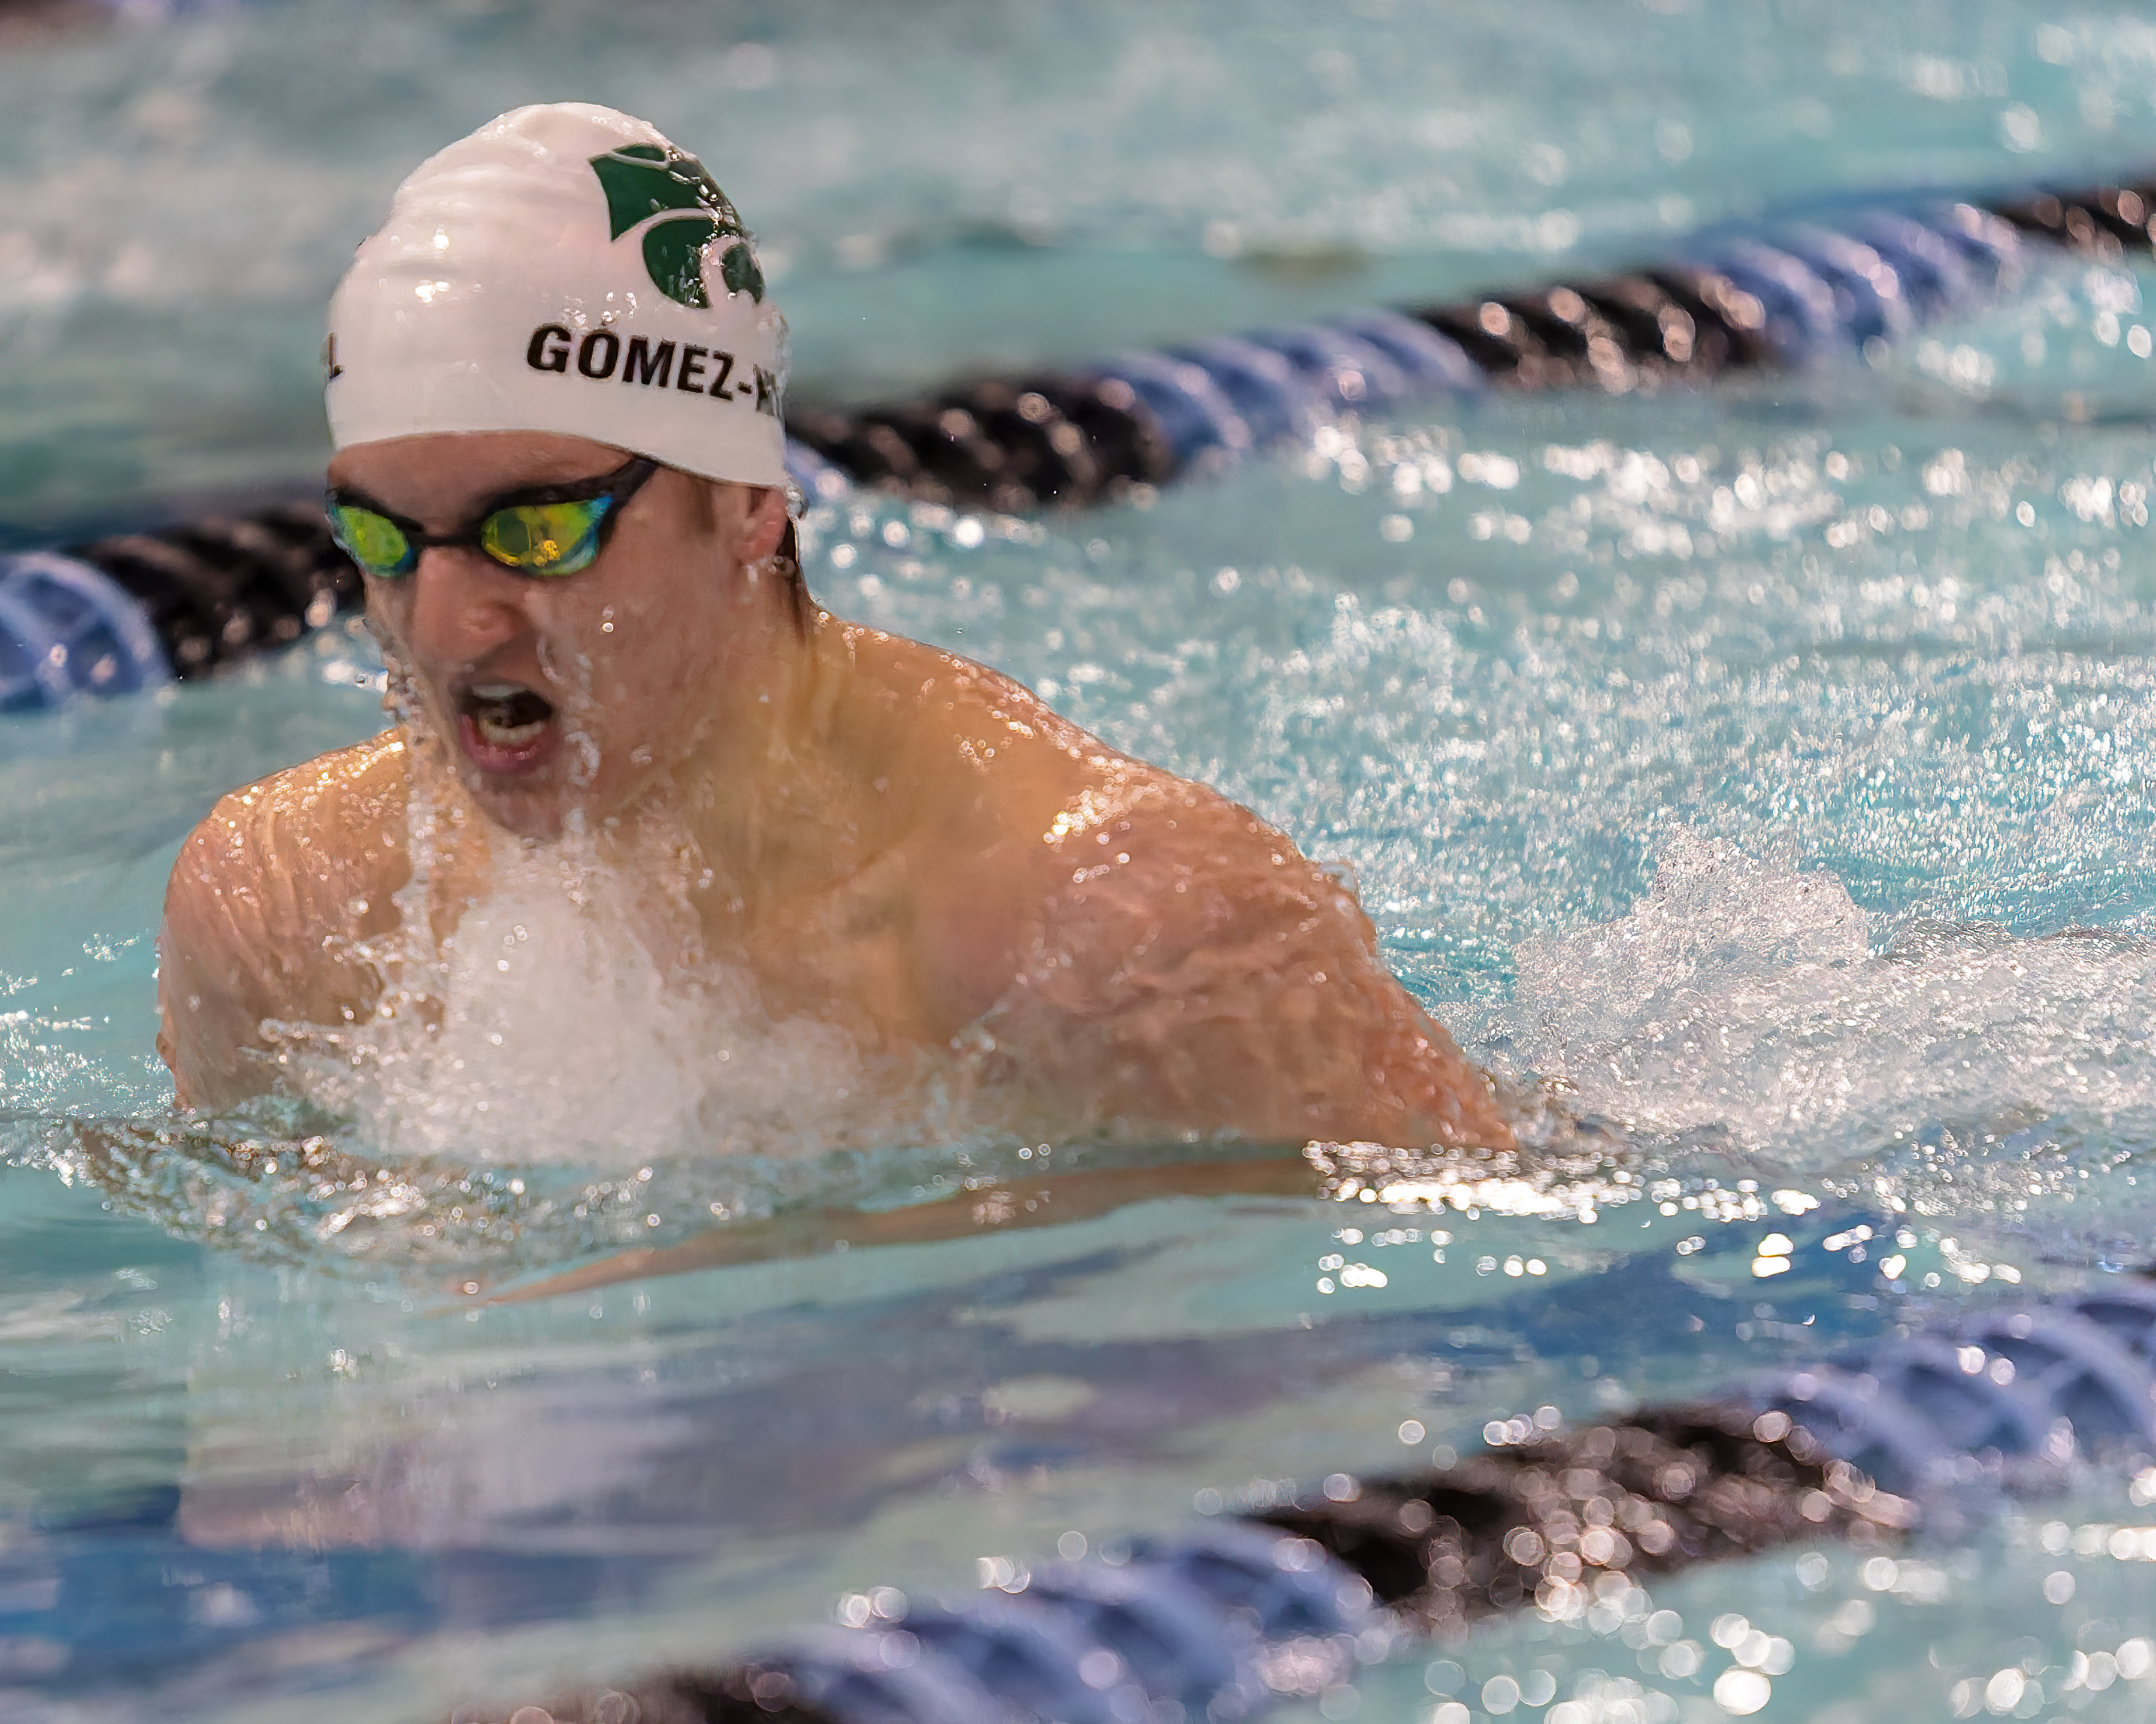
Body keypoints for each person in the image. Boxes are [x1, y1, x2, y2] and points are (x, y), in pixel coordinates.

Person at [156, 102, 1512, 1154]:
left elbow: (1480, 1329)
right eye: (385, 538)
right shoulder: (287, 917)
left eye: (538, 528)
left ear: (749, 501)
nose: (446, 621)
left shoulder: (1110, 938)